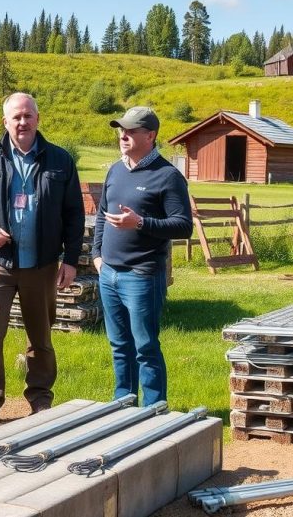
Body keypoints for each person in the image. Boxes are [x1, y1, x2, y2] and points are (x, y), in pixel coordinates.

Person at [0, 92, 85, 427]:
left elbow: (74, 214)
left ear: (37, 119)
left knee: (40, 337)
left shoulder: (60, 160)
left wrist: (70, 260)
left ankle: (40, 399)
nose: (23, 122)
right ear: (5, 122)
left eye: (28, 115)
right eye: (16, 117)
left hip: (41, 265)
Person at [92, 106, 192, 406]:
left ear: (150, 135)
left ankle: (154, 410)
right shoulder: (115, 170)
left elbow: (183, 225)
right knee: (119, 344)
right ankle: (123, 402)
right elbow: (101, 215)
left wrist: (141, 223)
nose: (123, 134)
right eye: (121, 129)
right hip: (108, 273)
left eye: (131, 130)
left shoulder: (168, 176)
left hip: (142, 276)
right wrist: (97, 255)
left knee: (145, 347)